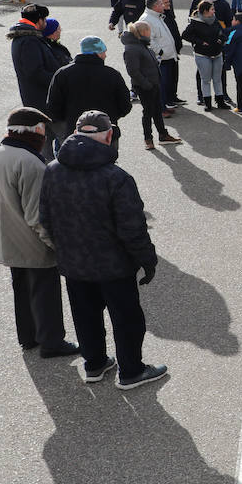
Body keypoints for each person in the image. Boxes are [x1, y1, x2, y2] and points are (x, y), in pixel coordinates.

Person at [39, 110, 167, 390]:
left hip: (74, 264)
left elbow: (45, 219)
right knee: (127, 318)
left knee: (85, 316)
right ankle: (131, 370)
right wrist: (148, 260)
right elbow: (132, 228)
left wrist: (64, 249)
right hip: (114, 265)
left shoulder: (52, 171)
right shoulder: (116, 177)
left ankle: (95, 364)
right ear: (109, 136)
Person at [0, 107, 78, 359]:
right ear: (36, 131)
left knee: (22, 290)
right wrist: (56, 245)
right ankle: (52, 342)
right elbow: (38, 216)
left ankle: (28, 337)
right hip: (32, 244)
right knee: (45, 292)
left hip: (5, 238)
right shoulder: (31, 163)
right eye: (43, 132)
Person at [47, 36, 132, 151]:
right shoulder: (112, 74)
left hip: (74, 133)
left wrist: (69, 120)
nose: (105, 55)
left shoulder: (62, 74)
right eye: (103, 52)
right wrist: (110, 117)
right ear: (97, 53)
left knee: (76, 166)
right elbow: (125, 104)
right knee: (106, 166)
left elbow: (53, 106)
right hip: (106, 133)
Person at [8, 4, 60, 154]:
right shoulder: (29, 40)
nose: (46, 22)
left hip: (39, 100)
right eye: (45, 19)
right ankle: (52, 173)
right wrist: (59, 80)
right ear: (39, 20)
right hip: (42, 101)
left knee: (46, 141)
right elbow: (35, 72)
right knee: (55, 139)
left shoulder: (27, 37)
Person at [121, 22, 182, 150]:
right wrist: (147, 84)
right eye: (149, 30)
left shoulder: (142, 45)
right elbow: (133, 71)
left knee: (157, 111)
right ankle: (148, 139)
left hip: (153, 84)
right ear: (143, 32)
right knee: (148, 112)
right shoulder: (132, 48)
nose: (150, 33)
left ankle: (163, 135)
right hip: (145, 86)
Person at [139, 0, 180, 114]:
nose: (164, 6)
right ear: (155, 6)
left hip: (167, 56)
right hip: (160, 59)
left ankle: (165, 105)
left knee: (166, 83)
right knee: (160, 85)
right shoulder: (146, 19)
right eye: (161, 4)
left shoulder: (157, 17)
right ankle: (161, 109)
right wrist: (161, 52)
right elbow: (148, 40)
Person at [183, 0, 228, 111]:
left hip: (217, 54)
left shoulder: (215, 20)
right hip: (202, 55)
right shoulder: (195, 22)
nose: (214, 11)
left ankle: (220, 101)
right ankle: (207, 103)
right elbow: (185, 35)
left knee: (217, 79)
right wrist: (200, 42)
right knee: (206, 79)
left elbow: (223, 33)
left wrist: (221, 39)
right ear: (205, 11)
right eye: (212, 9)